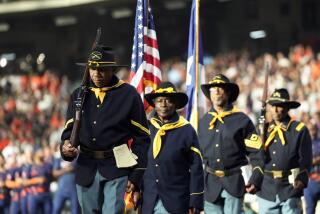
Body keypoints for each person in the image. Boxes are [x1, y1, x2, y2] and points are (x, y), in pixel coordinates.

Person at [60, 45, 150, 214]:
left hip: (117, 166)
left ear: (113, 69)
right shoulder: (78, 94)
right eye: (93, 69)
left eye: (102, 69)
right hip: (86, 167)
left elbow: (142, 138)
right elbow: (67, 134)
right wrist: (66, 148)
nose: (96, 74)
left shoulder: (129, 95)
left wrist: (136, 175)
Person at [198, 74, 265, 214]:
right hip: (209, 185)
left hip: (233, 183)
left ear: (228, 93)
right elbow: (196, 158)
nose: (216, 91)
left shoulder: (242, 120)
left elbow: (257, 153)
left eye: (220, 88)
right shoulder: (203, 122)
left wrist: (256, 178)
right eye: (213, 88)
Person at [142, 82, 204, 214]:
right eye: (159, 101)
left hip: (177, 201)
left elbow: (196, 167)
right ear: (154, 103)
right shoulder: (146, 127)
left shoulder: (187, 130)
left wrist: (195, 199)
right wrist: (136, 188)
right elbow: (139, 160)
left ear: (175, 104)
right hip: (148, 201)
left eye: (168, 100)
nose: (163, 104)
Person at [256, 88, 312, 213]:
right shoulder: (263, 130)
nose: (275, 110)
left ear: (287, 107)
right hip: (266, 189)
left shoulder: (299, 130)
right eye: (273, 105)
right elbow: (256, 158)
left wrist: (302, 178)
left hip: (290, 188)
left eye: (279, 106)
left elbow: (306, 159)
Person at [304, 123, 320, 214]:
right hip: (310, 182)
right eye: (310, 130)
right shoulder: (303, 145)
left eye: (314, 129)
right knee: (310, 209)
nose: (312, 132)